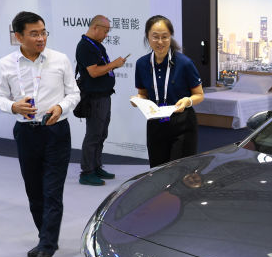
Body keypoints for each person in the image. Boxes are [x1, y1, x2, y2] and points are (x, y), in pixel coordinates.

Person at [0, 11, 80, 257]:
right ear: (19, 36)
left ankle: (47, 247)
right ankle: (45, 238)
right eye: (34, 34)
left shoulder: (60, 59)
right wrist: (13, 106)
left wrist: (61, 107)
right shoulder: (6, 64)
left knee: (52, 191)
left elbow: (74, 93)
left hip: (56, 131)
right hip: (25, 133)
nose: (41, 38)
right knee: (34, 191)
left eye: (43, 32)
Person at [133, 15, 205, 167]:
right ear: (148, 37)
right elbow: (143, 94)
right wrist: (138, 100)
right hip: (155, 123)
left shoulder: (184, 63)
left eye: (164, 37)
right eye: (155, 37)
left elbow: (199, 95)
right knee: (157, 170)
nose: (160, 42)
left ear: (170, 37)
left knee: (180, 171)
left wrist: (187, 101)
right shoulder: (141, 64)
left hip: (182, 123)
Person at [75, 15, 127, 186]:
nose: (106, 35)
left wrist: (112, 65)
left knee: (101, 134)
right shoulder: (85, 46)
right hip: (94, 98)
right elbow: (94, 72)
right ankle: (87, 172)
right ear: (95, 28)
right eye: (105, 31)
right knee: (93, 135)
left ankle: (96, 166)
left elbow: (101, 69)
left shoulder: (97, 45)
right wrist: (114, 64)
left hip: (104, 96)